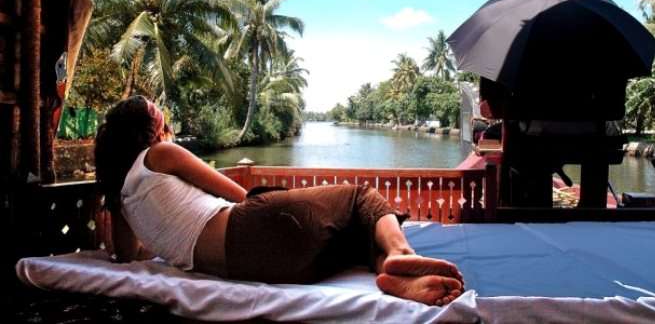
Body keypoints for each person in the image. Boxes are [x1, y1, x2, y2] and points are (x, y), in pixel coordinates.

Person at [95, 96, 464, 306]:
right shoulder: (160, 154)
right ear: (149, 128)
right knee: (359, 197)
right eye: (158, 115)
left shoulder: (121, 198)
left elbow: (131, 255)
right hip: (247, 229)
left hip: (254, 267)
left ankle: (395, 278)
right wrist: (275, 205)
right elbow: (234, 192)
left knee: (354, 237)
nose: (164, 122)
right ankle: (401, 254)